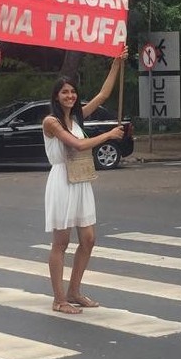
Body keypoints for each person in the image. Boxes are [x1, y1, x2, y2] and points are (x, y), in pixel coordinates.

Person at [42, 48, 128, 314]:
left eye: (72, 91)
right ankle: (59, 299)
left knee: (88, 239)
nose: (70, 96)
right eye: (64, 92)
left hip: (81, 180)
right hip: (62, 181)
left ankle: (74, 291)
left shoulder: (76, 116)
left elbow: (103, 94)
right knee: (61, 242)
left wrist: (116, 63)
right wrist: (109, 135)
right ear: (56, 96)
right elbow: (77, 145)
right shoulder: (51, 121)